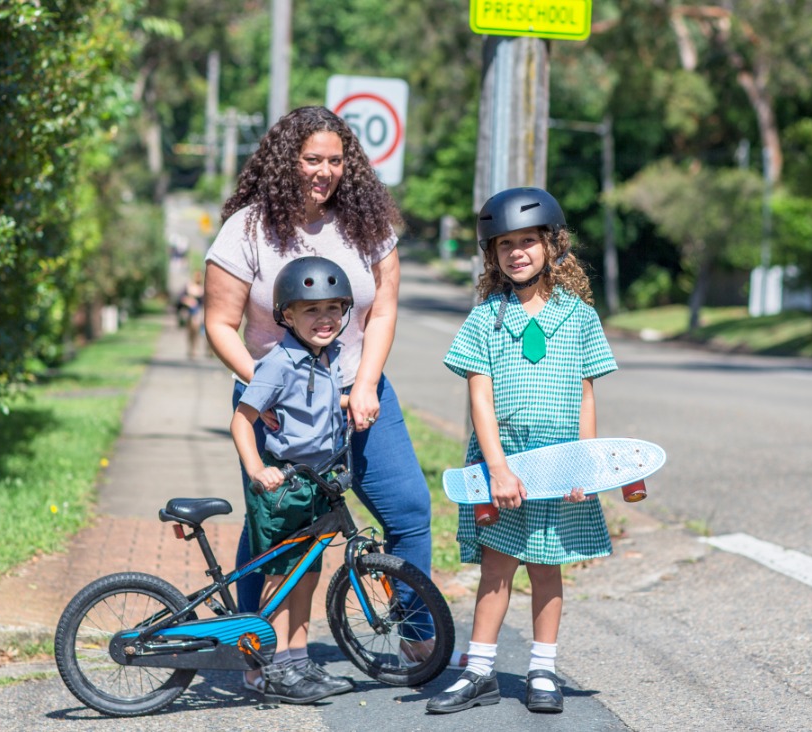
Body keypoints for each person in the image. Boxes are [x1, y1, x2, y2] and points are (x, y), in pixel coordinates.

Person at [203, 106, 459, 692]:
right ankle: (259, 649)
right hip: (279, 399)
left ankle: (416, 634)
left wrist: (366, 381)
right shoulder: (248, 228)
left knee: (408, 510)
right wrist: (267, 389)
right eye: (312, 159)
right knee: (280, 530)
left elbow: (386, 306)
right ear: (286, 160)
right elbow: (220, 323)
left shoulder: (365, 222)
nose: (324, 171)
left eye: (335, 160)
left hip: (356, 389)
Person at [428, 187, 617, 715]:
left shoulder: (579, 317)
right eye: (504, 244)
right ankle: (480, 671)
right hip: (504, 463)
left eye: (527, 241)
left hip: (559, 465)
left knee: (547, 567)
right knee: (496, 567)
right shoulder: (486, 318)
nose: (517, 252)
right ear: (492, 254)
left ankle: (542, 669)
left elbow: (585, 393)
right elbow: (479, 398)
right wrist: (498, 469)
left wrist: (585, 464)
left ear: (552, 244)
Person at [230, 256, 356, 703]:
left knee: (306, 574)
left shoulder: (329, 357)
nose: (324, 319)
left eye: (333, 309)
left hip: (318, 484)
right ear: (286, 315)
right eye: (311, 310)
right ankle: (274, 664)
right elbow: (242, 421)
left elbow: (313, 406)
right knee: (280, 577)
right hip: (282, 487)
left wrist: (344, 404)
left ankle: (298, 661)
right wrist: (256, 469)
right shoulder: (278, 363)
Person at [178, 271, 205, 359]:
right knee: (189, 332)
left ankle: (194, 348)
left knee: (196, 330)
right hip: (188, 311)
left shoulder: (202, 288)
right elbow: (181, 297)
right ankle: (190, 348)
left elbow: (204, 302)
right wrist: (188, 301)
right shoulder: (188, 286)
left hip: (198, 312)